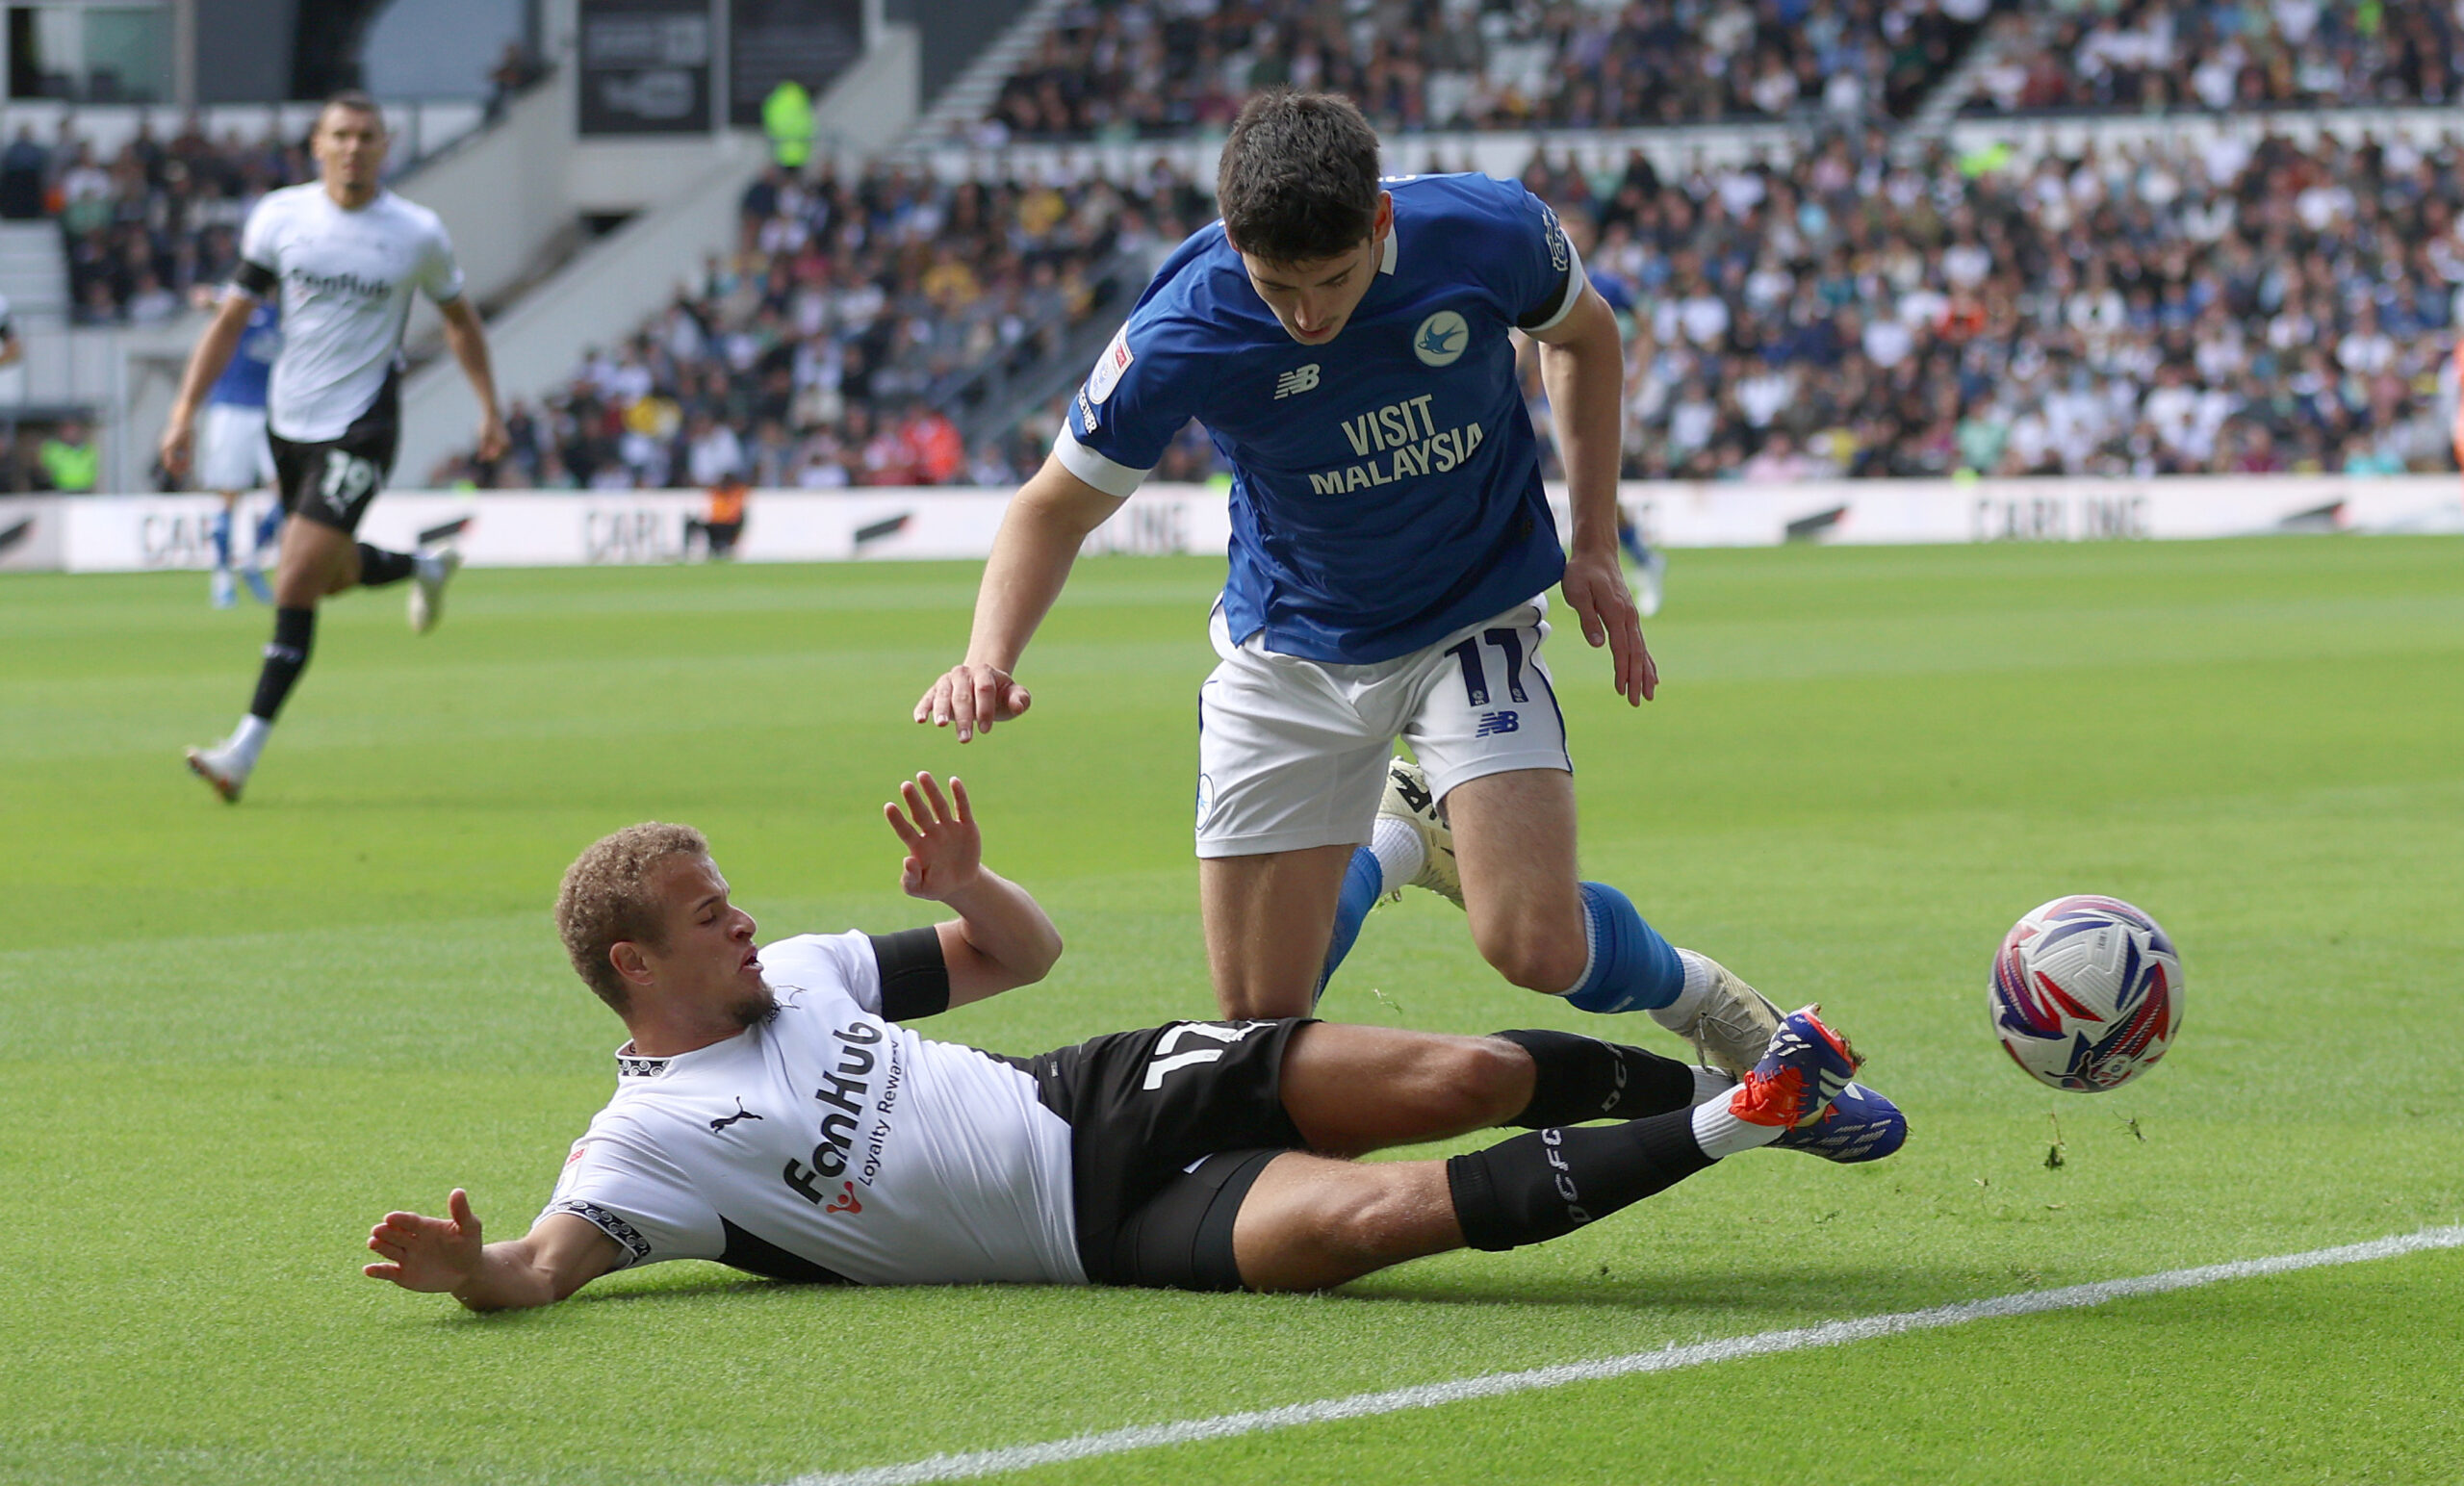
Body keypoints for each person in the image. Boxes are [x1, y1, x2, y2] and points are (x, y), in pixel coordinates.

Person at [914, 90, 1861, 1106]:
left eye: (1332, 280)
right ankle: (1395, 836)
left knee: (1532, 942)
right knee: (1261, 1028)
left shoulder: (1487, 231)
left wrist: (1592, 544)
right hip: (1291, 644)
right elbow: (1051, 507)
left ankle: (1701, 998)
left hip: (1470, 611)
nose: (1308, 316)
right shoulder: (1183, 326)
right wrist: (988, 655)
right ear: (1235, 241)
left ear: (1379, 224)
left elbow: (1584, 339)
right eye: (1277, 288)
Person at [363, 774, 1903, 1310]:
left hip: (1107, 1082)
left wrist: (968, 889)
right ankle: (1745, 1114)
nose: (746, 922)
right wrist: (473, 1268)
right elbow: (547, 1264)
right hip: (1107, 1228)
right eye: (711, 917)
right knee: (1379, 1218)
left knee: (1471, 1076)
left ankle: (1729, 1079)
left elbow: (1017, 956)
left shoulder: (815, 973)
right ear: (637, 964)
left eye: (733, 897)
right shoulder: (641, 1148)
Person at [163, 91, 509, 804]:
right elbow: (229, 321)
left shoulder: (416, 232)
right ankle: (421, 566)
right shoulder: (281, 217)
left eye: (368, 136)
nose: (354, 147)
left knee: (293, 582)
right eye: (341, 135)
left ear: (388, 146)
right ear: (317, 145)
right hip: (288, 421)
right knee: (328, 573)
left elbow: (460, 322)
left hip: (363, 424)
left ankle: (242, 750)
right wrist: (183, 411)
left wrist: (489, 408)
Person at [190, 287, 283, 608]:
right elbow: (210, 300)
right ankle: (222, 575)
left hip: (271, 411)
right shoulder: (242, 307)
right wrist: (209, 301)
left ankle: (253, 561)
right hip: (232, 409)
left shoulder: (284, 317)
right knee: (230, 495)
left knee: (286, 493)